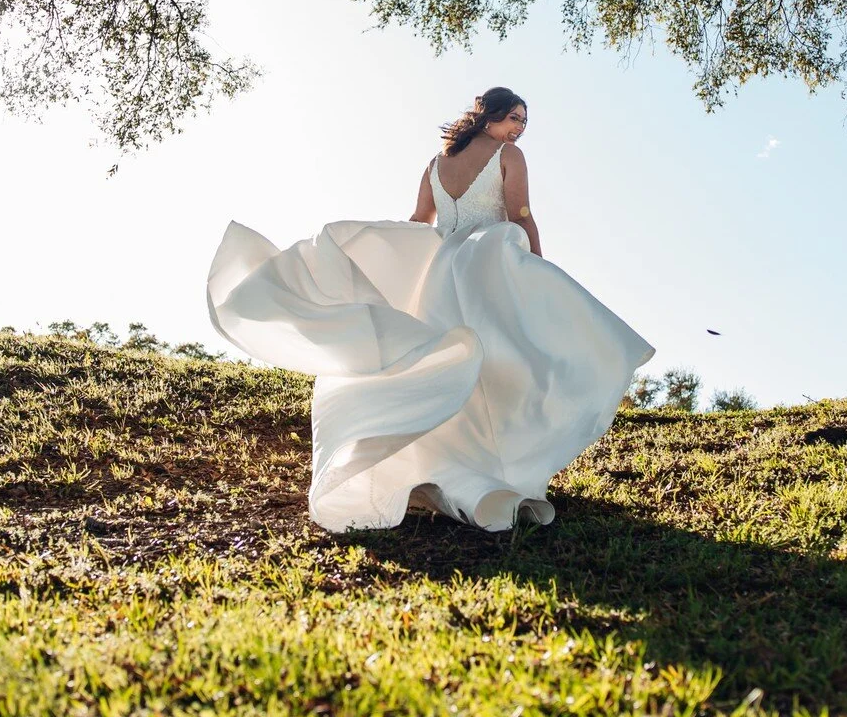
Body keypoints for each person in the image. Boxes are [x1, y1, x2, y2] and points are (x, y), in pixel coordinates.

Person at [207, 87, 653, 532]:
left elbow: (421, 221)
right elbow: (520, 214)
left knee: (457, 362)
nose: (519, 129)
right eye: (514, 118)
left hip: (440, 271)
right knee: (514, 358)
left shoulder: (435, 165)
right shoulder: (508, 155)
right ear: (489, 116)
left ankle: (465, 467)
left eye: (524, 122)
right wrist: (539, 266)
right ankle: (499, 469)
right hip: (487, 264)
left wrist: (385, 252)